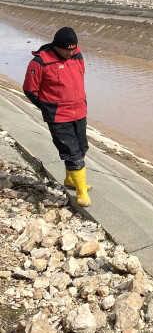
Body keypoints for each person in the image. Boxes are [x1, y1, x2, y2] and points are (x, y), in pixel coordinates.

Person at [23, 27, 91, 207]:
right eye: (67, 49)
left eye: (73, 48)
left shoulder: (77, 56)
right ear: (56, 47)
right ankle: (82, 192)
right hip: (59, 116)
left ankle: (71, 180)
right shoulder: (40, 62)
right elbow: (30, 90)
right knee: (73, 153)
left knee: (82, 148)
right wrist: (47, 108)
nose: (70, 52)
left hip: (79, 112)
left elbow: (79, 78)